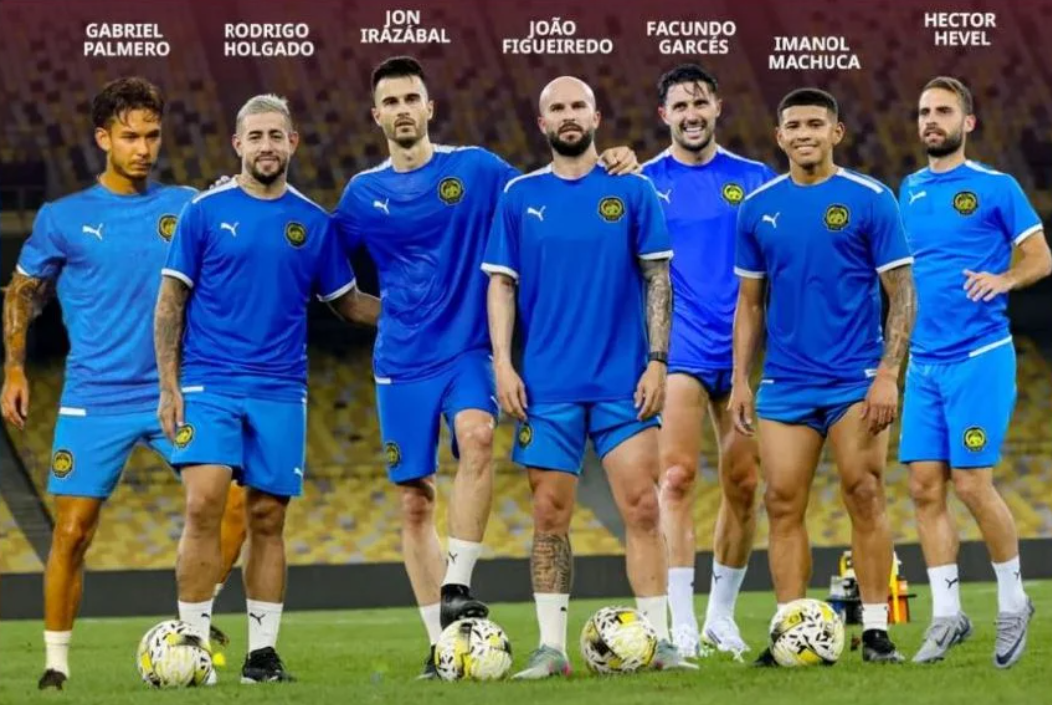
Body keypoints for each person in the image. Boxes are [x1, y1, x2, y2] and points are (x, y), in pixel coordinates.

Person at [332, 56, 641, 678]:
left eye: (411, 98)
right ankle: (441, 644)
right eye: (390, 101)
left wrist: (611, 159)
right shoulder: (361, 195)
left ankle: (457, 583)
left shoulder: (476, 169)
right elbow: (331, 281)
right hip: (399, 365)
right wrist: (393, 317)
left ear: (429, 107)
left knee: (477, 436)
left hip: (468, 351)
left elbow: (549, 187)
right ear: (376, 115)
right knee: (414, 502)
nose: (402, 110)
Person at [0, 77, 245, 690]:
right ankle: (56, 666)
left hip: (176, 392)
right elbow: (22, 292)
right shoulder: (63, 218)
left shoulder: (187, 206)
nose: (144, 148)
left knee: (240, 502)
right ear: (103, 138)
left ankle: (196, 620)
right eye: (131, 136)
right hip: (95, 398)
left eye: (152, 136)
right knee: (71, 533)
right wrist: (14, 367)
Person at [154, 93, 378, 683]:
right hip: (209, 382)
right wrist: (169, 386)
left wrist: (426, 313)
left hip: (281, 389)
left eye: (276, 135)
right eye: (255, 136)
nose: (266, 146)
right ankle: (192, 645)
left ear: (292, 142)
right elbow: (170, 301)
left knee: (268, 518)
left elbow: (349, 304)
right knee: (203, 503)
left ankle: (261, 656)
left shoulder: (313, 223)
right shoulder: (204, 212)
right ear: (238, 144)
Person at [483, 75, 694, 679]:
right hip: (546, 385)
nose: (569, 115)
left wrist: (659, 361)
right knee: (549, 515)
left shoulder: (632, 188)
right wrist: (503, 364)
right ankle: (551, 649)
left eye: (579, 105)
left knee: (643, 508)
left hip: (624, 382)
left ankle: (657, 641)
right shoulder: (520, 196)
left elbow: (658, 278)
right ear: (542, 123)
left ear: (596, 117)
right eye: (557, 108)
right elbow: (501, 285)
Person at [728, 88, 916, 665]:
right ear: (779, 136)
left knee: (865, 492)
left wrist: (888, 374)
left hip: (856, 378)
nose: (804, 133)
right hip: (785, 382)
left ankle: (876, 630)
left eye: (815, 123)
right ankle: (791, 630)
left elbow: (902, 292)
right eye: (794, 125)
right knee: (782, 502)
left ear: (836, 132)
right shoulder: (757, 208)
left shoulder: (871, 198)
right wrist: (740, 380)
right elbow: (749, 304)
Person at [901, 76, 1050, 667]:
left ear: (968, 123)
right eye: (924, 111)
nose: (931, 120)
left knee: (970, 483)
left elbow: (1040, 256)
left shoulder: (996, 187)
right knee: (923, 487)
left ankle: (1014, 602)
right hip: (922, 364)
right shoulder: (908, 189)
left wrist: (1005, 278)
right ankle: (947, 615)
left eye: (943, 111)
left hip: (979, 358)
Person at [642, 63, 775, 657]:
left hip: (743, 354)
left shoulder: (755, 179)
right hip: (680, 351)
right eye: (680, 105)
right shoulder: (645, 183)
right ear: (663, 115)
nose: (691, 114)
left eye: (700, 103)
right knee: (675, 478)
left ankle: (721, 616)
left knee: (744, 485)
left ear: (718, 107)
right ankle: (681, 621)